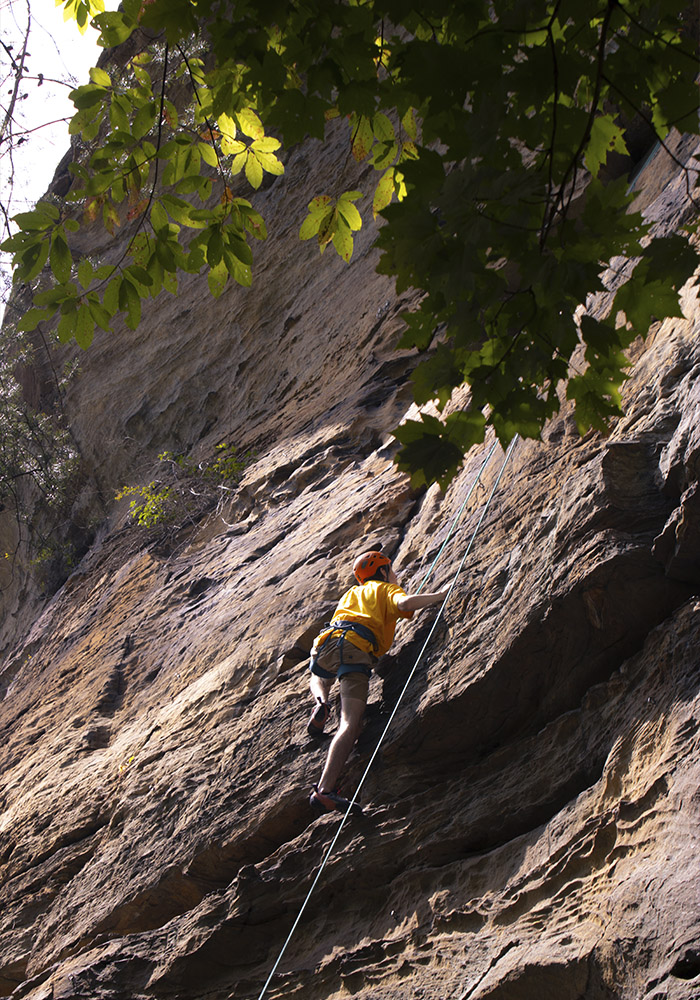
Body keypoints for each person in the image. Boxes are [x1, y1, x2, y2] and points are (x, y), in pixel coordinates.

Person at [307, 549, 447, 814]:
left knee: (319, 673)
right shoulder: (384, 589)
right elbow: (404, 605)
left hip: (327, 643)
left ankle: (320, 702)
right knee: (349, 724)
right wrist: (440, 595)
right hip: (355, 650)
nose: (394, 575)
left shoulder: (351, 594)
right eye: (391, 570)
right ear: (382, 572)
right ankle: (324, 791)